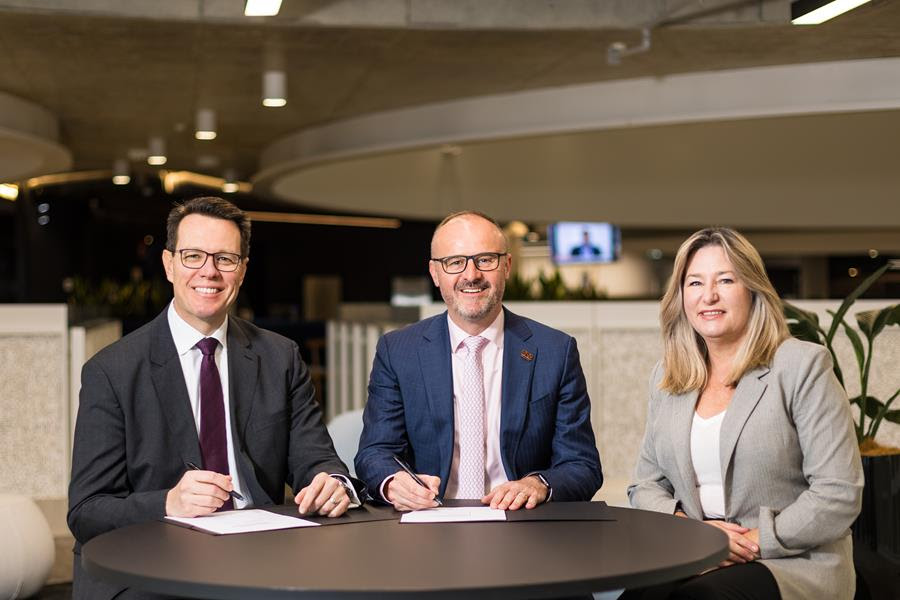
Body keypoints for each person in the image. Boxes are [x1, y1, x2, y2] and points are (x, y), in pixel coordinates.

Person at [68, 197, 363, 600]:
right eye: (193, 256)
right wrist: (168, 502)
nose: (209, 271)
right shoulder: (112, 371)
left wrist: (331, 482)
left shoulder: (279, 357)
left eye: (225, 258)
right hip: (152, 560)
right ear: (169, 264)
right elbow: (87, 511)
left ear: (242, 270)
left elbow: (317, 460)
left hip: (258, 554)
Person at [626, 227, 863, 600]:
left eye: (725, 280)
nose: (709, 296)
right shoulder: (669, 376)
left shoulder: (800, 366)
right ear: (681, 296)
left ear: (752, 289)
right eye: (694, 283)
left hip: (792, 562)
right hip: (697, 555)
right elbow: (645, 485)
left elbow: (838, 493)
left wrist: (753, 541)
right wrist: (694, 534)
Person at [355, 210, 602, 511]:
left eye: (485, 259)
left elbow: (582, 464)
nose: (471, 275)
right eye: (455, 262)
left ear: (507, 266)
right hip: (429, 522)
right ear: (435, 273)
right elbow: (375, 451)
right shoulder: (398, 351)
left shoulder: (555, 351)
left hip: (523, 525)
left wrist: (538, 484)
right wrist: (393, 482)